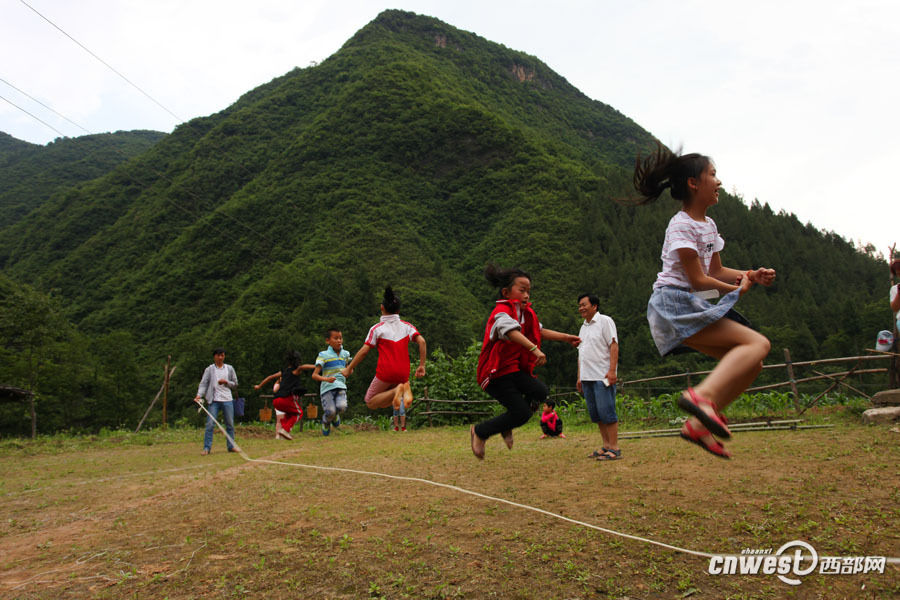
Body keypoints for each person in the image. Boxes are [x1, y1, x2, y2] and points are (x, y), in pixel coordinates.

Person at [632, 145, 775, 459]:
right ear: (694, 183)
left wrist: (750, 274)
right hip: (673, 305)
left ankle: (698, 425)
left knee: (753, 361)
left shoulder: (707, 226)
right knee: (757, 345)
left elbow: (717, 271)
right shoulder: (681, 225)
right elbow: (698, 281)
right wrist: (737, 290)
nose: (718, 181)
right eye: (712, 174)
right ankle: (701, 397)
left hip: (689, 303)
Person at [470, 265, 581, 459]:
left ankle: (507, 424)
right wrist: (534, 349)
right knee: (521, 414)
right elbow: (511, 333)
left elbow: (539, 331)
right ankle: (480, 432)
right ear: (506, 292)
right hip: (494, 373)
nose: (526, 295)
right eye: (521, 290)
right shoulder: (501, 313)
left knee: (540, 391)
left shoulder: (525, 313)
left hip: (513, 370)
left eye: (528, 291)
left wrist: (566, 337)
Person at [342, 286, 426, 431]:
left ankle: (396, 391)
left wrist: (349, 368)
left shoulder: (377, 329)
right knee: (386, 402)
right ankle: (398, 391)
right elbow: (422, 342)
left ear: (382, 308)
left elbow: (363, 351)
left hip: (385, 372)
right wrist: (422, 365)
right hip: (403, 373)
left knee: (370, 402)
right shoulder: (407, 326)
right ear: (398, 310)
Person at [576, 293, 620, 460]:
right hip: (587, 377)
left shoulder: (605, 321)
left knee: (607, 411)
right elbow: (581, 354)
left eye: (584, 304)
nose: (581, 308)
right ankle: (606, 446)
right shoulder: (583, 327)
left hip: (602, 375)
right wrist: (579, 376)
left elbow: (613, 345)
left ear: (594, 306)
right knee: (596, 414)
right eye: (579, 305)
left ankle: (615, 448)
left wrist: (612, 371)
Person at [254, 351, 315, 440]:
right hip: (286, 398)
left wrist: (259, 386)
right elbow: (303, 367)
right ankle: (285, 430)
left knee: (290, 414)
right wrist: (317, 366)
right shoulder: (296, 370)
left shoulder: (283, 371)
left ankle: (283, 432)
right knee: (299, 413)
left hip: (276, 400)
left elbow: (270, 377)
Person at [193, 347, 240, 455]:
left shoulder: (229, 368)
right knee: (210, 424)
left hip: (227, 399)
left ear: (224, 356)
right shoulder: (209, 369)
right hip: (213, 400)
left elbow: (235, 384)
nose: (220, 357)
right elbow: (203, 383)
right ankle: (207, 448)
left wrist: (226, 382)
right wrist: (199, 395)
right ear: (214, 356)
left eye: (222, 355)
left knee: (230, 424)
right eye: (218, 355)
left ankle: (231, 446)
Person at [312, 329, 351, 436]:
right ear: (328, 341)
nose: (339, 341)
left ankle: (334, 416)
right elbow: (314, 375)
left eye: (340, 338)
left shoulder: (345, 354)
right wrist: (326, 379)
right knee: (330, 411)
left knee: (342, 407)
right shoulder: (323, 355)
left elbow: (348, 369)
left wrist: (349, 371)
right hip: (327, 388)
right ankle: (326, 421)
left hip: (341, 386)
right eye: (336, 338)